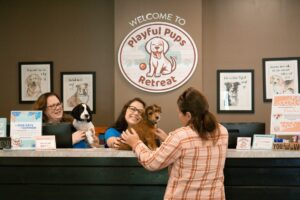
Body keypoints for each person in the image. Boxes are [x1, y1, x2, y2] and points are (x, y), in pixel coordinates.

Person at [121, 87, 228, 200]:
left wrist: (136, 143)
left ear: (188, 115)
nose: (179, 116)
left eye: (179, 112)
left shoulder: (179, 136)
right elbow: (196, 146)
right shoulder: (223, 132)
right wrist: (168, 139)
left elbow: (151, 163)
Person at [33, 92, 98, 148]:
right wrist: (69, 140)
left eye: (58, 104)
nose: (58, 108)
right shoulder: (38, 128)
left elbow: (88, 145)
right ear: (44, 110)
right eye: (52, 106)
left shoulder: (72, 123)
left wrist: (93, 142)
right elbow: (40, 148)